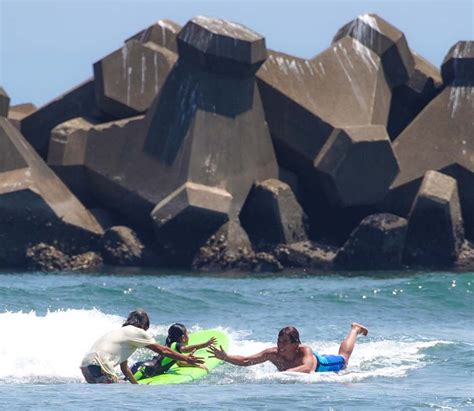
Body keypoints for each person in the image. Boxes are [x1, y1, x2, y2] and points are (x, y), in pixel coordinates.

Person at [80, 310, 204, 384]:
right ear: (144, 325)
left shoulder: (121, 333)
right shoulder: (138, 332)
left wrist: (136, 386)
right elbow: (164, 350)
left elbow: (125, 369)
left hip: (86, 365)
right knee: (114, 399)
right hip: (101, 364)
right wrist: (186, 358)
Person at [208, 322, 368, 374]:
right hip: (300, 368)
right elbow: (246, 361)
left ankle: (354, 329)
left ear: (295, 343)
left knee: (344, 360)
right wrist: (225, 357)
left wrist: (282, 375)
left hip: (322, 364)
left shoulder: (305, 350)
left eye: (285, 342)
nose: (280, 345)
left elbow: (306, 369)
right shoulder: (273, 353)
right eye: (279, 341)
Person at [131, 323, 217, 378]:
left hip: (144, 365)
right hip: (147, 369)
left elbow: (179, 363)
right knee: (126, 383)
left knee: (124, 380)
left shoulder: (169, 346)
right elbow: (185, 349)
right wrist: (204, 345)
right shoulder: (176, 345)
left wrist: (196, 365)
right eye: (187, 333)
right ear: (183, 337)